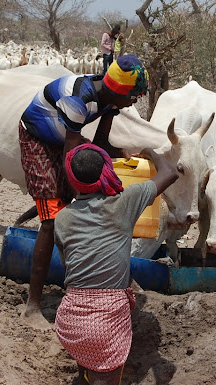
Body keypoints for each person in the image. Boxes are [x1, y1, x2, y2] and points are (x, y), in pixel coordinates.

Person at [19, 54, 150, 329]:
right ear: (120, 90)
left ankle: (109, 282)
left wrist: (126, 153)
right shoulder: (78, 100)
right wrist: (88, 203)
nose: (136, 102)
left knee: (97, 203)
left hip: (68, 138)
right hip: (39, 140)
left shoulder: (110, 100)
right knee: (52, 220)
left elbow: (101, 143)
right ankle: (32, 306)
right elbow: (71, 160)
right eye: (134, 96)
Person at [54, 143, 177, 385]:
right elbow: (170, 173)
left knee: (88, 358)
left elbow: (68, 264)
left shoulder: (63, 217)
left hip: (71, 317)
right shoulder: (125, 202)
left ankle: (84, 377)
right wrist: (150, 152)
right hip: (106, 322)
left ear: (73, 180)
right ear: (109, 171)